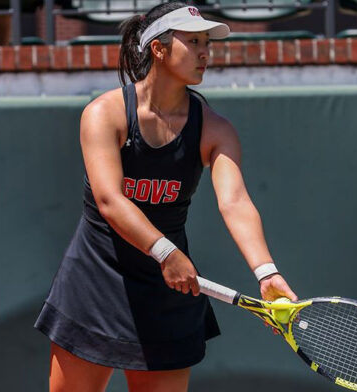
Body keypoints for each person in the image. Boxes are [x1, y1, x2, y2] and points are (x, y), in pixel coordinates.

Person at [34, 2, 298, 391]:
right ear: (158, 48)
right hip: (95, 285)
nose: (205, 52)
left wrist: (266, 272)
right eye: (193, 42)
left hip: (169, 292)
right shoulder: (103, 114)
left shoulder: (214, 129)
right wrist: (167, 253)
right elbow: (110, 201)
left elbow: (235, 201)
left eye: (207, 42)